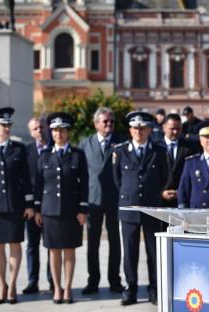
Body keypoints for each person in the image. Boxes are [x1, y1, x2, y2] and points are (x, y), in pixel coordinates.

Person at [112, 111, 168, 306]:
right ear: (130, 130)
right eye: (135, 128)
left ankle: (154, 289)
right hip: (128, 208)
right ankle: (131, 289)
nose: (139, 131)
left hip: (152, 208)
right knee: (129, 252)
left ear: (149, 130)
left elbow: (164, 178)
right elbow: (117, 179)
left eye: (143, 128)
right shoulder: (120, 151)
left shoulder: (159, 151)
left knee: (153, 252)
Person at [34, 112, 88, 304]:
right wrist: (38, 209)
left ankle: (68, 288)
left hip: (71, 211)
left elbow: (84, 184)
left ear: (68, 132)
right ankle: (57, 288)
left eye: (62, 130)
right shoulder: (44, 156)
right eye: (55, 131)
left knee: (70, 250)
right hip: (49, 212)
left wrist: (83, 210)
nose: (59, 134)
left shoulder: (78, 155)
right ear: (51, 133)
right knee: (54, 251)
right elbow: (38, 185)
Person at [79, 107, 123, 294]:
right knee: (93, 243)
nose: (109, 124)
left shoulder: (121, 143)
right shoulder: (85, 144)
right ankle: (93, 280)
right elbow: (80, 174)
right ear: (96, 123)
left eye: (111, 121)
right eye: (105, 121)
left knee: (115, 242)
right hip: (93, 200)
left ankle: (115, 280)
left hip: (114, 200)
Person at [0, 107, 34, 304]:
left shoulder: (19, 149)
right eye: (3, 125)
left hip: (14, 206)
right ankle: (1, 284)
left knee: (15, 246)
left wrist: (29, 205)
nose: (7, 128)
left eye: (9, 125)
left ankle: (12, 287)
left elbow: (26, 179)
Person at [23, 117, 53, 294]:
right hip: (31, 208)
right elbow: (24, 181)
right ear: (30, 132)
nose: (39, 131)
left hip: (51, 206)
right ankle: (32, 281)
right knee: (32, 245)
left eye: (42, 127)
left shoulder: (55, 149)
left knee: (51, 245)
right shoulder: (25, 151)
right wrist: (31, 206)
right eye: (35, 128)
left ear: (47, 128)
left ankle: (52, 281)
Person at [158, 113, 198, 207]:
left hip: (182, 200)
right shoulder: (155, 146)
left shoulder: (190, 147)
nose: (175, 132)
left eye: (178, 128)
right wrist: (161, 192)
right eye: (172, 129)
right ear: (164, 127)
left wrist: (180, 191)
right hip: (159, 200)